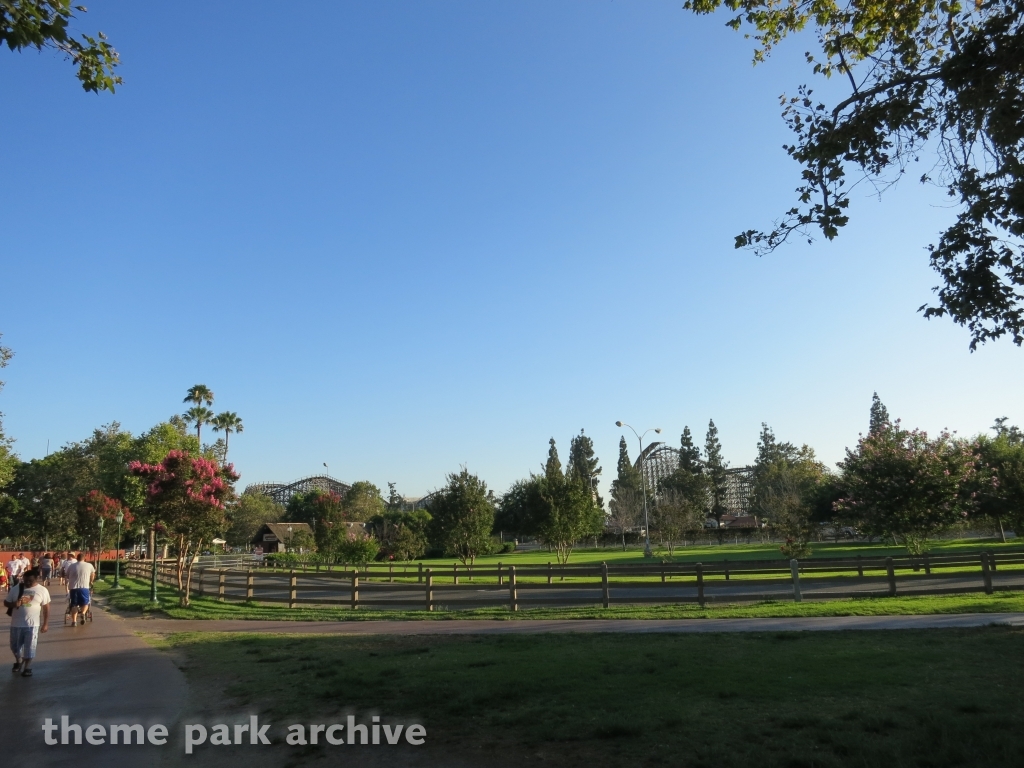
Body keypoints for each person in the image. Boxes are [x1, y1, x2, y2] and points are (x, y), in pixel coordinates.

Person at [4, 569, 50, 677]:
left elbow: (46, 608)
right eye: (25, 580)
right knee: (14, 647)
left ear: (36, 579)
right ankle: (19, 660)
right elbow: (6, 602)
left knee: (30, 647)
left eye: (30, 581)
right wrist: (13, 604)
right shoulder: (16, 589)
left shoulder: (42, 590)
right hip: (16, 624)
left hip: (32, 625)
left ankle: (27, 667)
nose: (27, 583)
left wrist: (45, 623)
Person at [67, 553, 95, 626]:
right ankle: (83, 613)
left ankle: (74, 621)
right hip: (84, 587)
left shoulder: (72, 566)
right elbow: (93, 574)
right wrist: (91, 581)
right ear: (84, 558)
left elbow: (67, 574)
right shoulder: (89, 565)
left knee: (74, 605)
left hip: (73, 588)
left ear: (77, 558)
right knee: (85, 603)